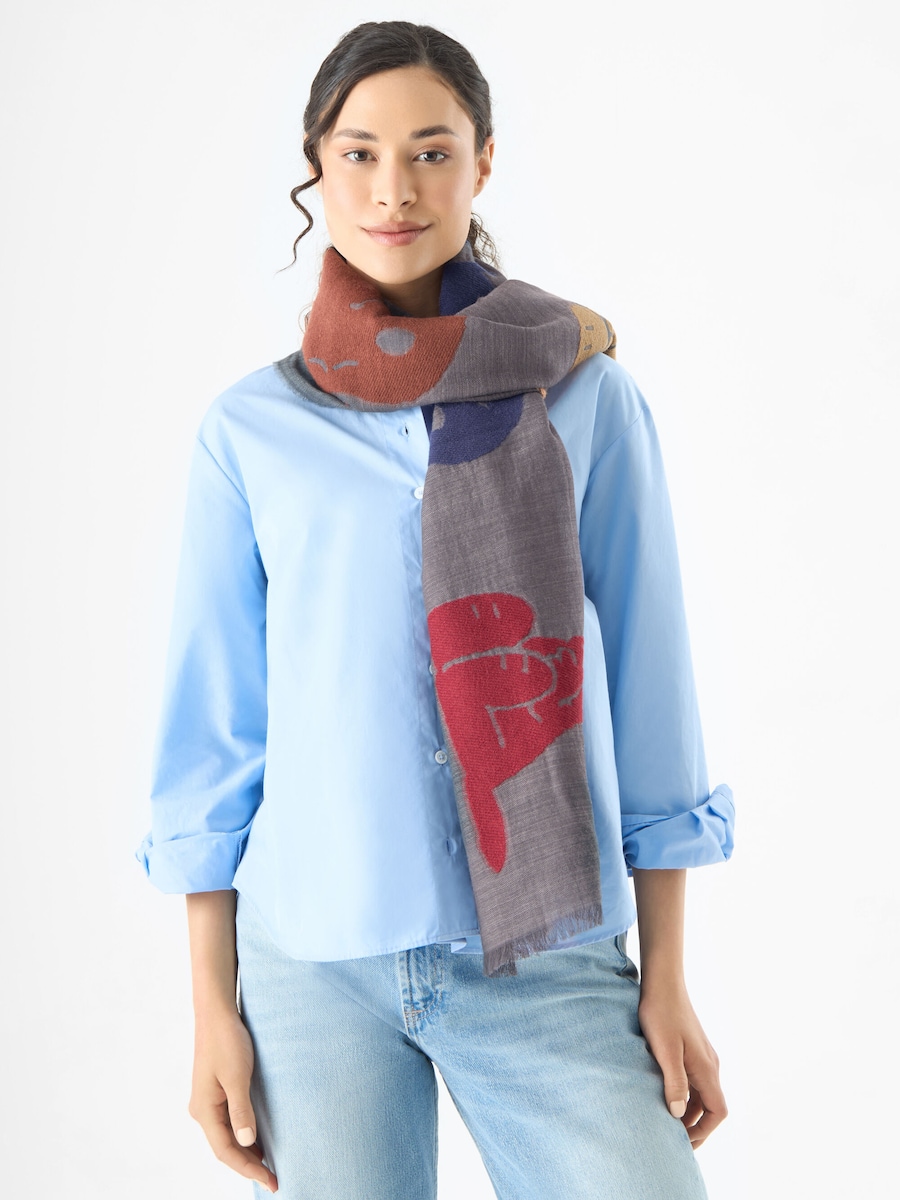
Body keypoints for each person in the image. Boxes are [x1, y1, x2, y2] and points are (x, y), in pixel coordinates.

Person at [136, 19, 735, 1200]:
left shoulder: (588, 398)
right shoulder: (251, 431)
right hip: (313, 969)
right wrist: (211, 1009)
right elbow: (216, 736)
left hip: (546, 952)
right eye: (358, 153)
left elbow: (652, 693)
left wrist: (666, 974)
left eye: (430, 152)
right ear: (317, 165)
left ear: (482, 162)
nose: (393, 190)